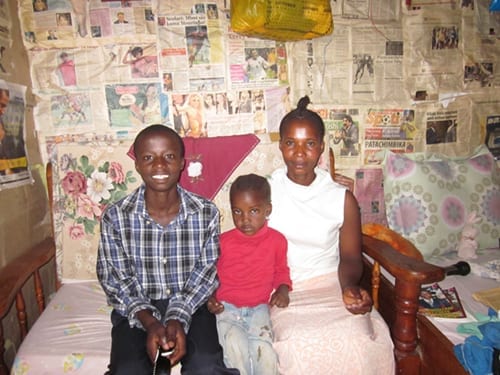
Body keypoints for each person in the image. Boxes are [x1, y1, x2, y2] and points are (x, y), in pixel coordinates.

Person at [96, 124, 239, 375]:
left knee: (206, 366)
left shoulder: (205, 213)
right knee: (127, 369)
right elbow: (115, 279)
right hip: (137, 308)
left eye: (169, 157)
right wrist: (150, 321)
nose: (159, 165)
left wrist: (176, 317)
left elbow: (204, 276)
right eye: (149, 158)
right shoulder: (116, 218)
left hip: (191, 304)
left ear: (183, 163)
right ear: (137, 164)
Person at [267, 96, 395, 374]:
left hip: (331, 286)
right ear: (280, 147)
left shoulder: (341, 198)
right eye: (291, 143)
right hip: (285, 289)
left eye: (309, 144)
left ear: (321, 148)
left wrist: (349, 286)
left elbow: (350, 257)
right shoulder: (266, 193)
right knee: (295, 344)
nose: (299, 153)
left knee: (361, 341)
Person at [207, 174, 292, 375]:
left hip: (259, 308)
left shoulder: (277, 241)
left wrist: (283, 289)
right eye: (238, 211)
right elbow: (209, 276)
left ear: (267, 210)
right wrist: (210, 298)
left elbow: (282, 270)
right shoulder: (222, 242)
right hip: (226, 307)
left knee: (265, 351)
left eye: (253, 211)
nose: (245, 219)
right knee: (234, 345)